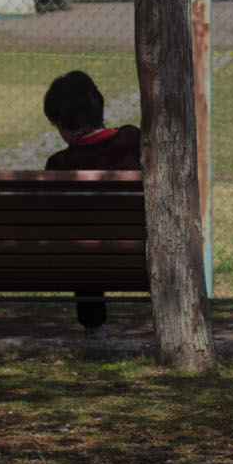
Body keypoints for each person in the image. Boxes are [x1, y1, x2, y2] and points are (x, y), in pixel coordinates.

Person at [43, 70, 141, 338]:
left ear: (62, 123)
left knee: (82, 242)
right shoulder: (133, 141)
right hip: (140, 255)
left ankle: (94, 327)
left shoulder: (59, 165)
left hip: (85, 262)